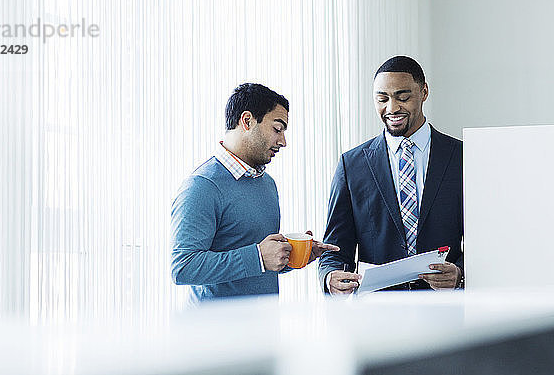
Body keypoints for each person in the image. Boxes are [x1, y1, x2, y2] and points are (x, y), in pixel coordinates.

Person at [171, 83, 339, 302]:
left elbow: (258, 265)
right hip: (214, 333)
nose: (283, 141)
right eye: (277, 129)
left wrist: (293, 255)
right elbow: (183, 267)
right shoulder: (202, 186)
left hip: (264, 328)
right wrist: (258, 256)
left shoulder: (267, 184)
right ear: (247, 121)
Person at [318, 56, 463, 295]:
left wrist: (459, 272)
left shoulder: (460, 157)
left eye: (403, 97)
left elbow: (485, 240)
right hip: (377, 310)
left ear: (424, 92)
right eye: (382, 99)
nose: (392, 108)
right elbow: (334, 250)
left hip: (448, 306)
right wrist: (329, 277)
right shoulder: (352, 164)